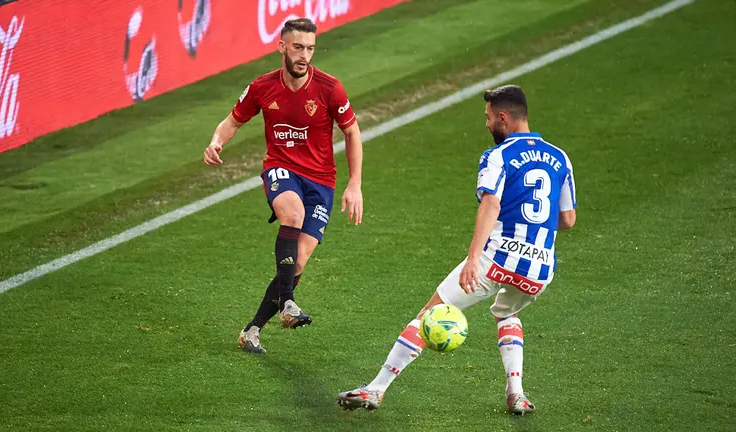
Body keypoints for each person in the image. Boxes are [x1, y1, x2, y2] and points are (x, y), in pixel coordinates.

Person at [336, 85, 576, 414]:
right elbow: (567, 219)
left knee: (428, 315)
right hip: (540, 269)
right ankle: (516, 393)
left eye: (489, 118)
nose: (487, 124)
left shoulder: (498, 155)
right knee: (507, 312)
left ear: (504, 118)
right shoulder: (560, 157)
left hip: (497, 257)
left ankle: (376, 389)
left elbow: (490, 204)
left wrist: (474, 259)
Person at [203, 18, 364, 354]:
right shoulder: (263, 87)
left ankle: (252, 330)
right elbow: (232, 121)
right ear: (282, 47)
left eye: (310, 48)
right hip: (281, 167)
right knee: (292, 213)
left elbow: (352, 132)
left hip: (321, 180)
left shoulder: (329, 87)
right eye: (298, 47)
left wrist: (355, 185)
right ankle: (289, 303)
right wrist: (216, 142)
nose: (304, 55)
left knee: (298, 262)